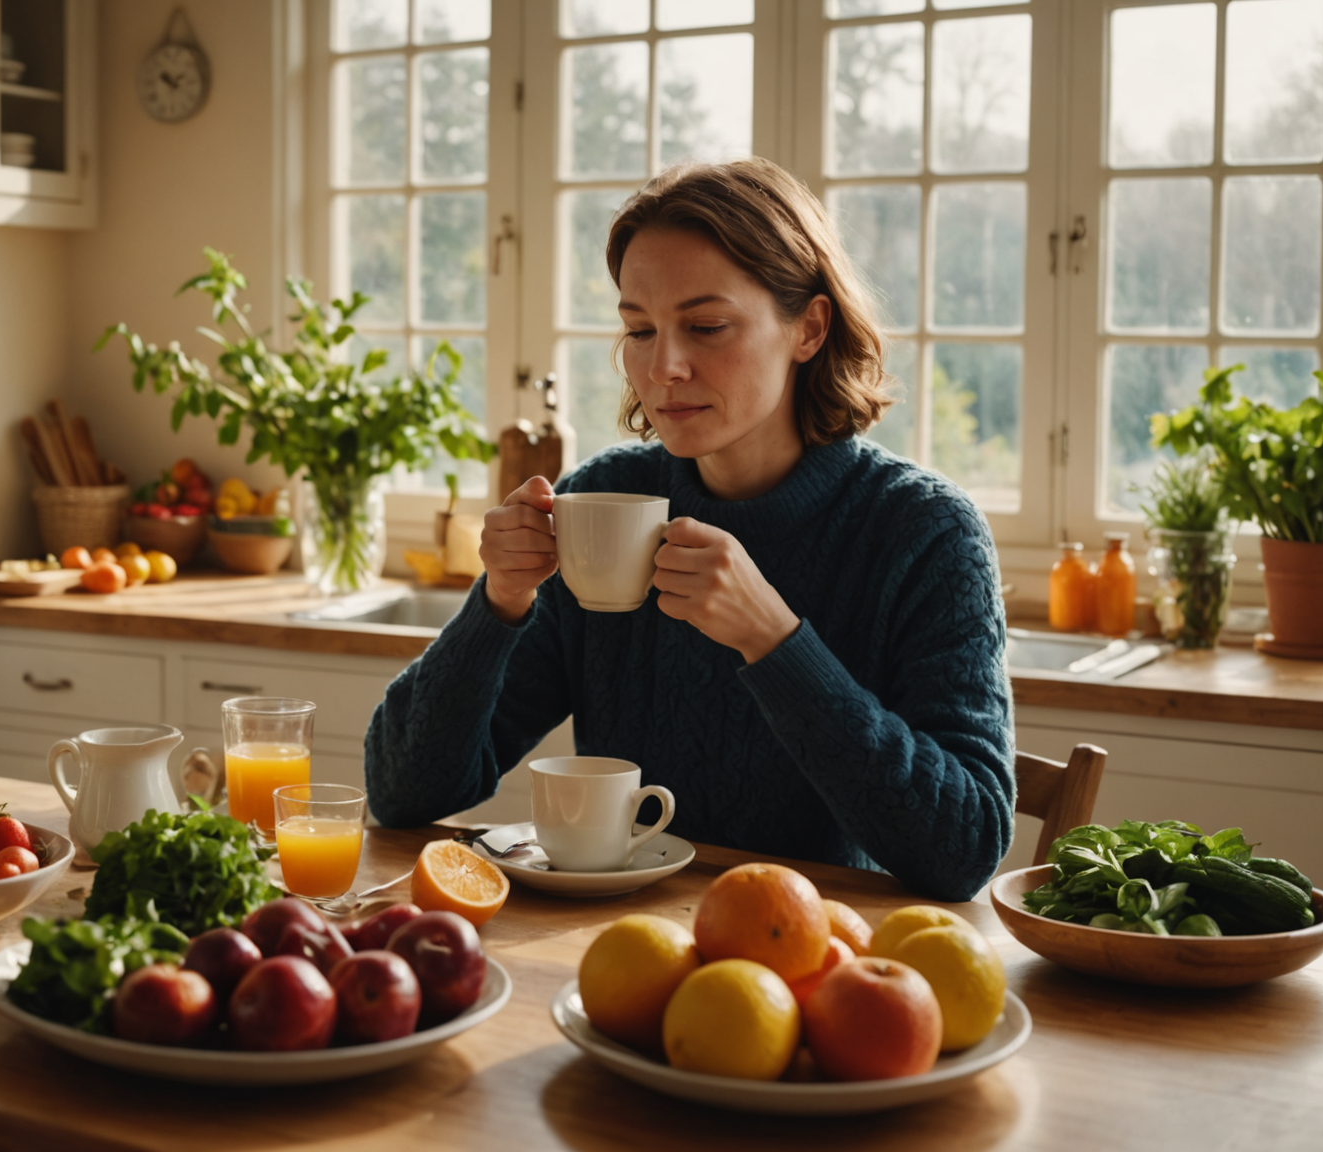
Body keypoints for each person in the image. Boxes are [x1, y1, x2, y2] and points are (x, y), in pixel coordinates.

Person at [363, 158, 1013, 902]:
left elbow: (965, 850)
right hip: (612, 953)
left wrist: (775, 641)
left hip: (815, 964)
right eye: (639, 329)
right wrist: (498, 603)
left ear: (809, 327)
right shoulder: (604, 501)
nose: (663, 365)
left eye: (705, 326)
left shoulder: (925, 533)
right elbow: (402, 792)